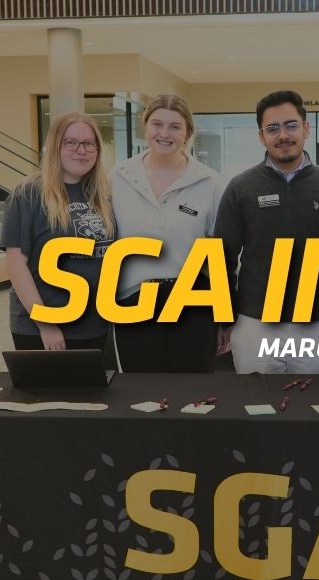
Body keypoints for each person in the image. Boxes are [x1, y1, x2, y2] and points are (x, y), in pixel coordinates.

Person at [215, 90, 319, 374]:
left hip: (317, 324)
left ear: (306, 128)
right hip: (255, 324)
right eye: (272, 128)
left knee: (312, 409)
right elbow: (222, 257)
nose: (283, 135)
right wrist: (224, 319)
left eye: (291, 125)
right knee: (257, 409)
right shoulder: (240, 187)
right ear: (261, 136)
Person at [111, 94, 223, 373]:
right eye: (157, 124)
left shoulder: (209, 182)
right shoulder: (117, 177)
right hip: (133, 298)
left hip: (192, 299)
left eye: (175, 126)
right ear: (145, 127)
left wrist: (224, 315)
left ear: (187, 133)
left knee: (191, 388)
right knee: (141, 388)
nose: (165, 133)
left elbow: (221, 253)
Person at [0, 112, 114, 351]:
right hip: (45, 330)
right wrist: (46, 324)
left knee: (92, 390)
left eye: (88, 143)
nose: (81, 150)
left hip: (94, 325)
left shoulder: (102, 195)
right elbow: (16, 265)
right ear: (55, 147)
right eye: (70, 142)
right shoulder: (29, 193)